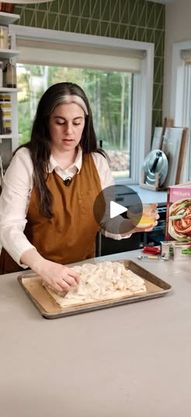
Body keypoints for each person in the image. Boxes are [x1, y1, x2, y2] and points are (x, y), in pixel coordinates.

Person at [0, 82, 158, 293]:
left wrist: (131, 223)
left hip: (79, 275)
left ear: (86, 122)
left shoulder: (97, 161)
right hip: (27, 275)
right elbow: (8, 227)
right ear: (46, 121)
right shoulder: (25, 160)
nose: (69, 131)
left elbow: (107, 217)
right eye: (60, 122)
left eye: (77, 122)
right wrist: (42, 266)